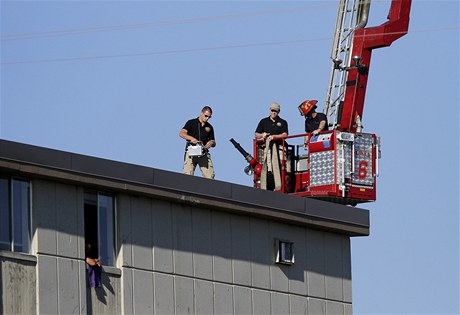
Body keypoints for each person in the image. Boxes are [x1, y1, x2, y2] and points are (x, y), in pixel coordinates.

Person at [255, 102, 289, 191]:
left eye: (276, 111)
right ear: (269, 110)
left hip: (280, 147)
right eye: (272, 110)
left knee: (282, 166)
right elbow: (256, 134)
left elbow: (285, 134)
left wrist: (274, 137)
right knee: (268, 167)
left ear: (278, 112)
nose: (274, 113)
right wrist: (263, 135)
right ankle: (269, 185)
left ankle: (281, 185)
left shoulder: (283, 122)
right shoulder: (264, 121)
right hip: (267, 148)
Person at [179, 106, 216, 179]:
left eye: (209, 117)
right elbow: (182, 133)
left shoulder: (210, 127)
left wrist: (211, 143)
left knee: (210, 176)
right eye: (206, 116)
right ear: (201, 113)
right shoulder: (191, 122)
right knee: (188, 176)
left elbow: (213, 141)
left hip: (203, 152)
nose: (207, 118)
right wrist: (192, 139)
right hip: (191, 150)